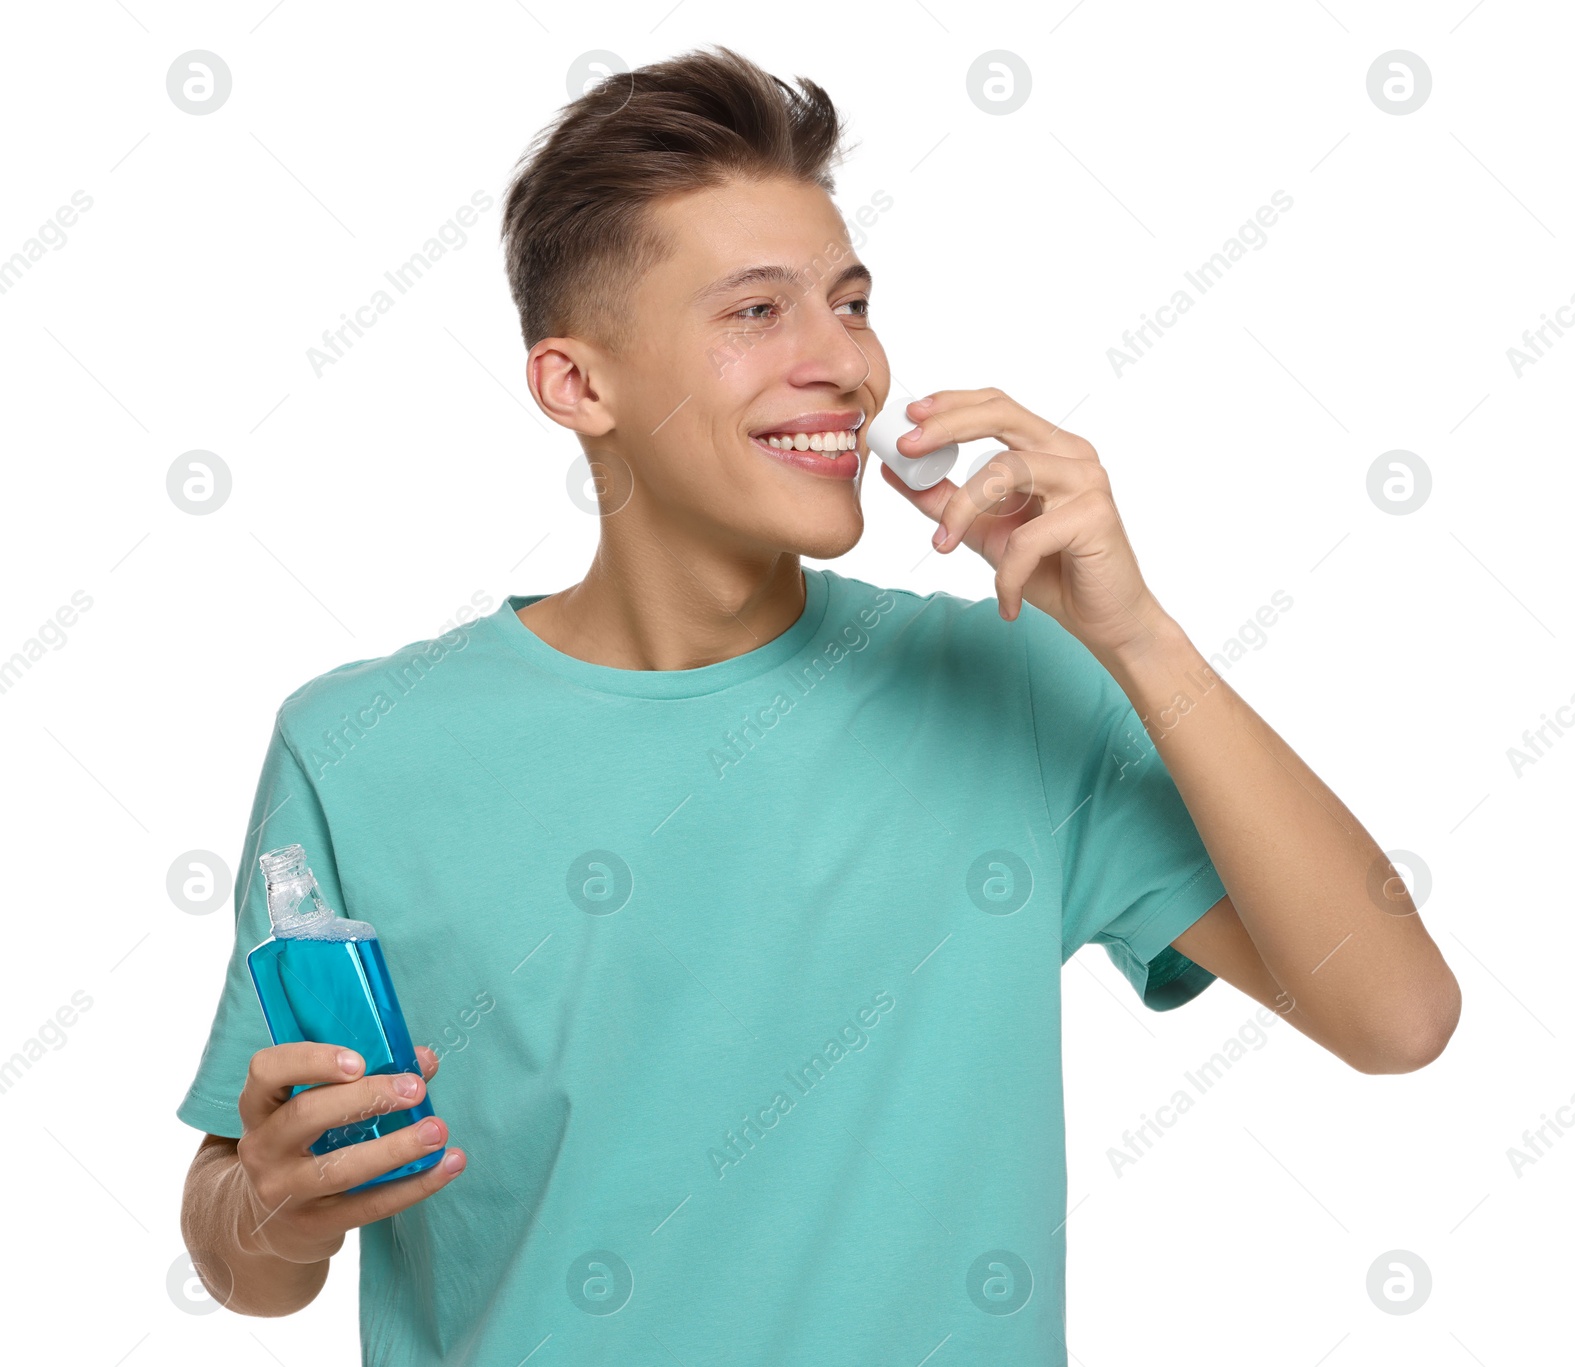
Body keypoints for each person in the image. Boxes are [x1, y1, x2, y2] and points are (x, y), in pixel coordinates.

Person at [176, 44, 1460, 1364]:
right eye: (754, 313)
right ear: (579, 385)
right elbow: (245, 1254)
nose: (843, 365)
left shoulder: (1009, 686)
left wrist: (1136, 635)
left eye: (849, 304)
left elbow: (1398, 1018)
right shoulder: (360, 753)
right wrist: (276, 1210)